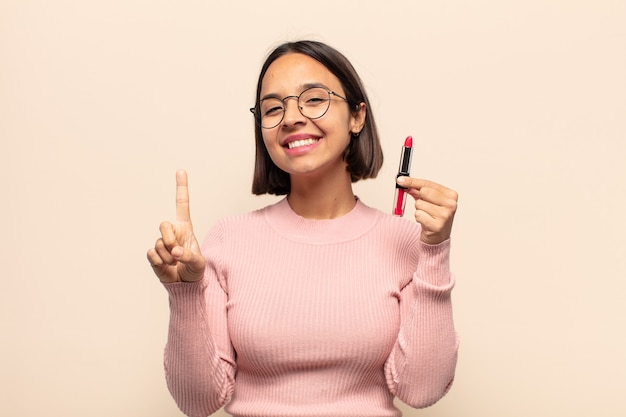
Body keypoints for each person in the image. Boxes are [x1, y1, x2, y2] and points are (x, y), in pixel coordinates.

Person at [147, 40, 459, 417]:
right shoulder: (229, 239)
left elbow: (421, 390)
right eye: (273, 108)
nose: (291, 117)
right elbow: (197, 402)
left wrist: (435, 251)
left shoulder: (404, 241)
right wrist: (184, 292)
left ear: (357, 116)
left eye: (313, 99)